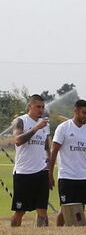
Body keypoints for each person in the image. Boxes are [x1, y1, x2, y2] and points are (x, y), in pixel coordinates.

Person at [49, 99, 86, 226]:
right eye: (83, 113)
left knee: (80, 208)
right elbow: (54, 152)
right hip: (67, 175)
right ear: (75, 111)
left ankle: (77, 232)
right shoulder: (63, 128)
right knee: (65, 209)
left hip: (83, 176)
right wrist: (50, 173)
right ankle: (58, 233)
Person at [9, 94, 51, 227]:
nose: (41, 109)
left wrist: (48, 168)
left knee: (43, 210)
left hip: (41, 171)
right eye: (38, 106)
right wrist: (35, 128)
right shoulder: (20, 121)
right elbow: (18, 140)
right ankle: (14, 233)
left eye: (43, 107)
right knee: (20, 210)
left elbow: (46, 147)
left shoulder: (44, 124)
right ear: (29, 106)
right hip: (23, 172)